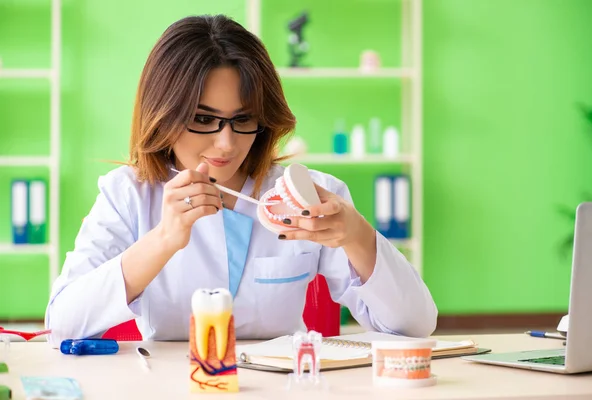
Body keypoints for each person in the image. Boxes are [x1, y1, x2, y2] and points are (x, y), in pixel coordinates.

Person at [44, 14, 437, 347]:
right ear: (163, 115)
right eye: (202, 119)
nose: (226, 143)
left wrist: (355, 233)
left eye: (243, 119)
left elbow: (415, 326)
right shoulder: (127, 194)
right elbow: (62, 322)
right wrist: (163, 240)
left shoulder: (316, 193)